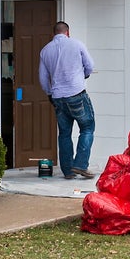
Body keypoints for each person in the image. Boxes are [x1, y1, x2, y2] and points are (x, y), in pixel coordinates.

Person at [38, 20, 96, 179]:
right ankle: (81, 165)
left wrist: (50, 93)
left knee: (64, 133)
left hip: (58, 97)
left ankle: (68, 171)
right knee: (87, 127)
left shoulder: (45, 51)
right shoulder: (77, 44)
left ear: (54, 34)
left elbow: (43, 79)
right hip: (76, 93)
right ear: (67, 33)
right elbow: (90, 65)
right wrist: (85, 74)